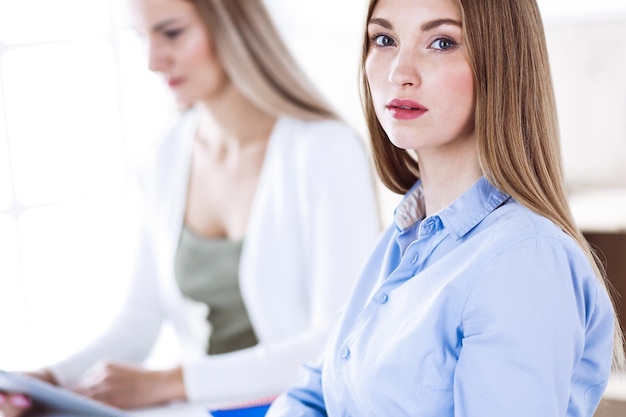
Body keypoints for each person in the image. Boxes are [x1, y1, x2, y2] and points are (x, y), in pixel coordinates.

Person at [0, 0, 382, 415]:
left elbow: (335, 341)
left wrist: (171, 381)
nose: (152, 60)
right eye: (142, 38)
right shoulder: (166, 153)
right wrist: (49, 380)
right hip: (205, 407)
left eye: (172, 33)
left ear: (233, 27)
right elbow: (138, 321)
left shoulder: (327, 151)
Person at [265, 0, 626, 416]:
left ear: (501, 62)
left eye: (441, 42)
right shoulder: (406, 236)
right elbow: (313, 396)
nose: (399, 73)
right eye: (384, 39)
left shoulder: (521, 261)